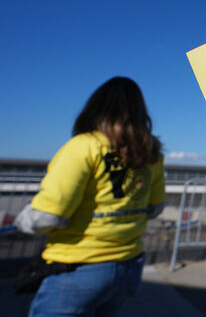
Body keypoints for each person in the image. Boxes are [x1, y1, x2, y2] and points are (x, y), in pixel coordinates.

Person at [14, 77, 165, 317]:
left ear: (96, 106)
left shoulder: (83, 146)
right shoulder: (152, 153)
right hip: (129, 265)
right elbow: (155, 207)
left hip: (78, 267)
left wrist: (19, 222)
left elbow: (48, 216)